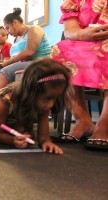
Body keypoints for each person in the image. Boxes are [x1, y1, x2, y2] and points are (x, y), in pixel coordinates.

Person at [0, 58, 71, 154]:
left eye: (55, 98)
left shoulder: (43, 104)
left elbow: (43, 137)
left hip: (11, 120)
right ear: (31, 92)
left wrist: (46, 142)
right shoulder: (6, 100)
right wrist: (12, 140)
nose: (51, 104)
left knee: (23, 132)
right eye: (48, 98)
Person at [51, 0, 108, 150]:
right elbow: (70, 30)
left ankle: (105, 123)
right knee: (59, 51)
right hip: (85, 40)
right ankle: (83, 120)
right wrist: (84, 33)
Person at [0, 8, 51, 96]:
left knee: (5, 72)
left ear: (15, 22)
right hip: (21, 65)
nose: (7, 31)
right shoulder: (16, 39)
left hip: (39, 63)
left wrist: (8, 62)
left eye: (7, 28)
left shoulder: (34, 29)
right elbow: (15, 58)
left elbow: (29, 52)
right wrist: (2, 63)